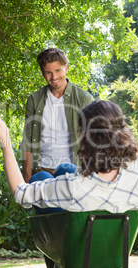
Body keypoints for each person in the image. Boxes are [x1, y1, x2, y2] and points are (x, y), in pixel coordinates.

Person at [0, 91, 138, 214]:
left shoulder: (75, 187)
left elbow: (20, 193)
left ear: (86, 138)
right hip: (116, 248)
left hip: (75, 247)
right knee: (66, 168)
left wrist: (5, 140)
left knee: (41, 175)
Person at [20, 48, 93, 183]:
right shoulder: (34, 100)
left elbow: (93, 140)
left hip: (73, 171)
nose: (54, 77)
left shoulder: (84, 98)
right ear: (42, 73)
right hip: (42, 170)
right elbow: (28, 141)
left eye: (58, 70)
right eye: (48, 72)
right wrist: (27, 178)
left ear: (66, 68)